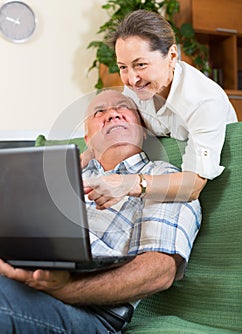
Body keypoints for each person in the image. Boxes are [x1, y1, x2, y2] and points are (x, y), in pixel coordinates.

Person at [0, 90, 201, 333]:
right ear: (88, 137)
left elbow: (159, 271)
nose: (112, 114)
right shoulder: (59, 176)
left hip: (89, 312)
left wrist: (62, 289)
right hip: (17, 279)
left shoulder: (165, 179)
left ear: (144, 129)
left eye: (123, 108)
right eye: (99, 112)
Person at [81, 9, 237, 209]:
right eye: (123, 67)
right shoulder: (137, 90)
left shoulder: (203, 102)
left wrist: (132, 183)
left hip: (210, 191)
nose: (132, 79)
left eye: (141, 65)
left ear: (172, 55)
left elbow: (193, 186)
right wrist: (86, 156)